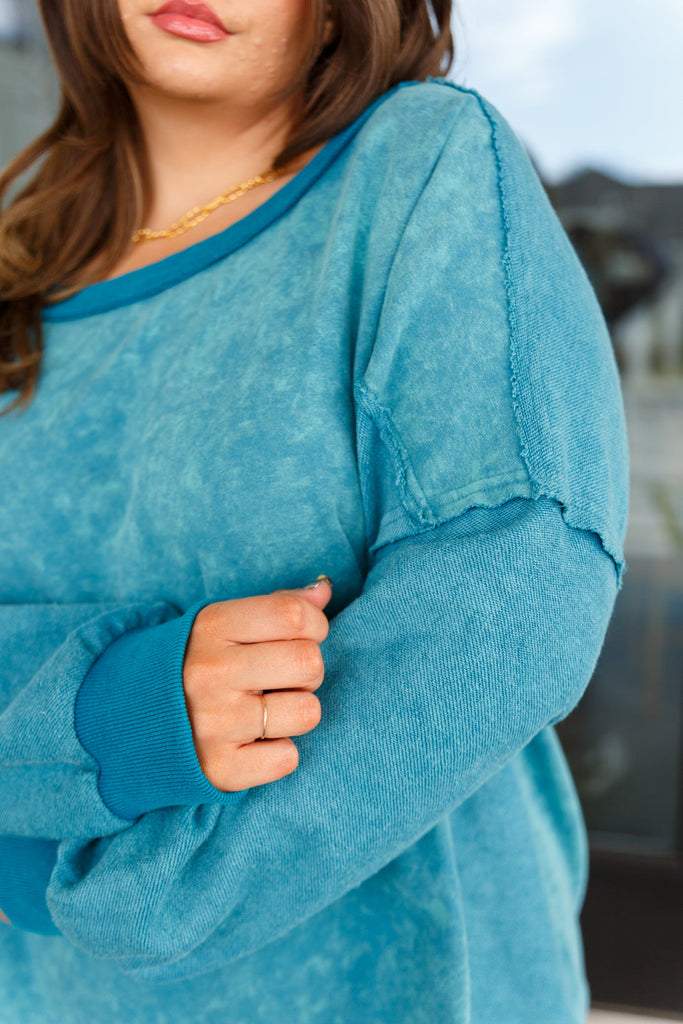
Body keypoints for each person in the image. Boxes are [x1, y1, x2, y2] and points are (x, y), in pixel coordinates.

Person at [0, 1, 628, 1021]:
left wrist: (103, 883)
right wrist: (107, 711)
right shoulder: (16, 266)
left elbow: (513, 591)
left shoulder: (418, 167)